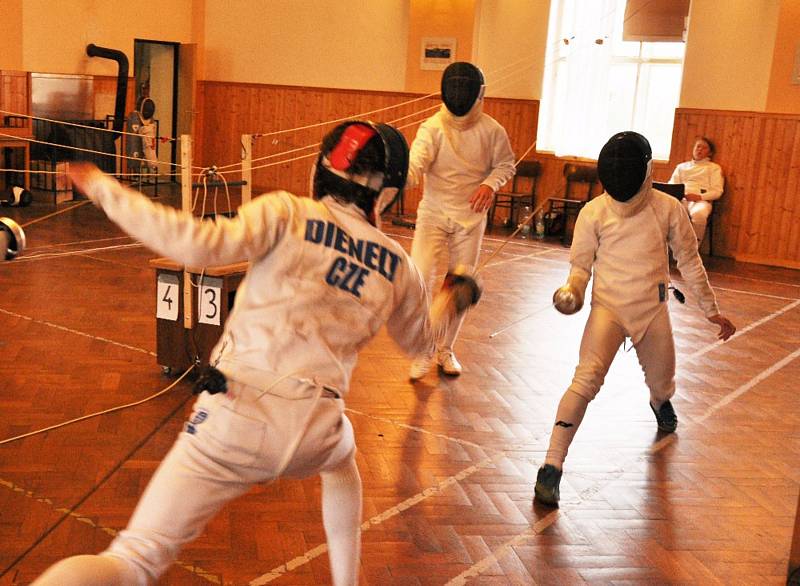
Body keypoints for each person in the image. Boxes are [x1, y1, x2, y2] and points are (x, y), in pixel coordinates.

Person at [33, 121, 476, 586]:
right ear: (388, 193)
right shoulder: (398, 264)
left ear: (321, 169)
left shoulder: (288, 212)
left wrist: (102, 186)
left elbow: (193, 244)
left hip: (236, 418)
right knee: (343, 460)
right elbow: (421, 343)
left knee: (134, 558)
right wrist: (453, 298)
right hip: (314, 427)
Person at [533, 131, 736, 507]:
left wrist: (711, 308)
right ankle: (551, 467)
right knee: (586, 379)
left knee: (663, 381)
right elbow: (580, 267)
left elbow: (689, 261)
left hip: (652, 309)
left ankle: (660, 403)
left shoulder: (667, 208)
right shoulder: (593, 212)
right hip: (607, 310)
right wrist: (574, 290)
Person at [406, 61, 516, 379]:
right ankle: (424, 350)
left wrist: (489, 183)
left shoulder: (492, 131)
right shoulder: (432, 128)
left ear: (479, 95)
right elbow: (416, 167)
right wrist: (397, 176)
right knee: (419, 277)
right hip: (434, 214)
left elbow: (506, 165)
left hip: (470, 219)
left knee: (460, 286)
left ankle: (444, 350)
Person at [668, 136, 724, 244]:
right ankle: (668, 246)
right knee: (667, 212)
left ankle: (692, 250)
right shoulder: (681, 167)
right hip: (681, 198)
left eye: (704, 148)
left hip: (701, 201)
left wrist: (699, 197)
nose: (699, 150)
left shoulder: (714, 168)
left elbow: (717, 191)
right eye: (698, 147)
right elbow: (672, 185)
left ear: (710, 153)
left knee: (699, 214)